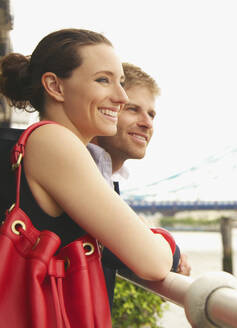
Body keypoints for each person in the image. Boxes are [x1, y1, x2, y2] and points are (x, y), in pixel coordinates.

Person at [0, 28, 173, 289]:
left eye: (121, 82)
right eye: (103, 80)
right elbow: (154, 263)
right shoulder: (54, 141)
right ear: (55, 86)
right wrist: (166, 241)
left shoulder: (45, 144)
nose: (121, 97)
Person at [87, 62, 191, 309]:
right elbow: (136, 256)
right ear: (105, 110)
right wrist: (168, 246)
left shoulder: (105, 178)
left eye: (152, 114)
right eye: (132, 109)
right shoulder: (79, 169)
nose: (147, 123)